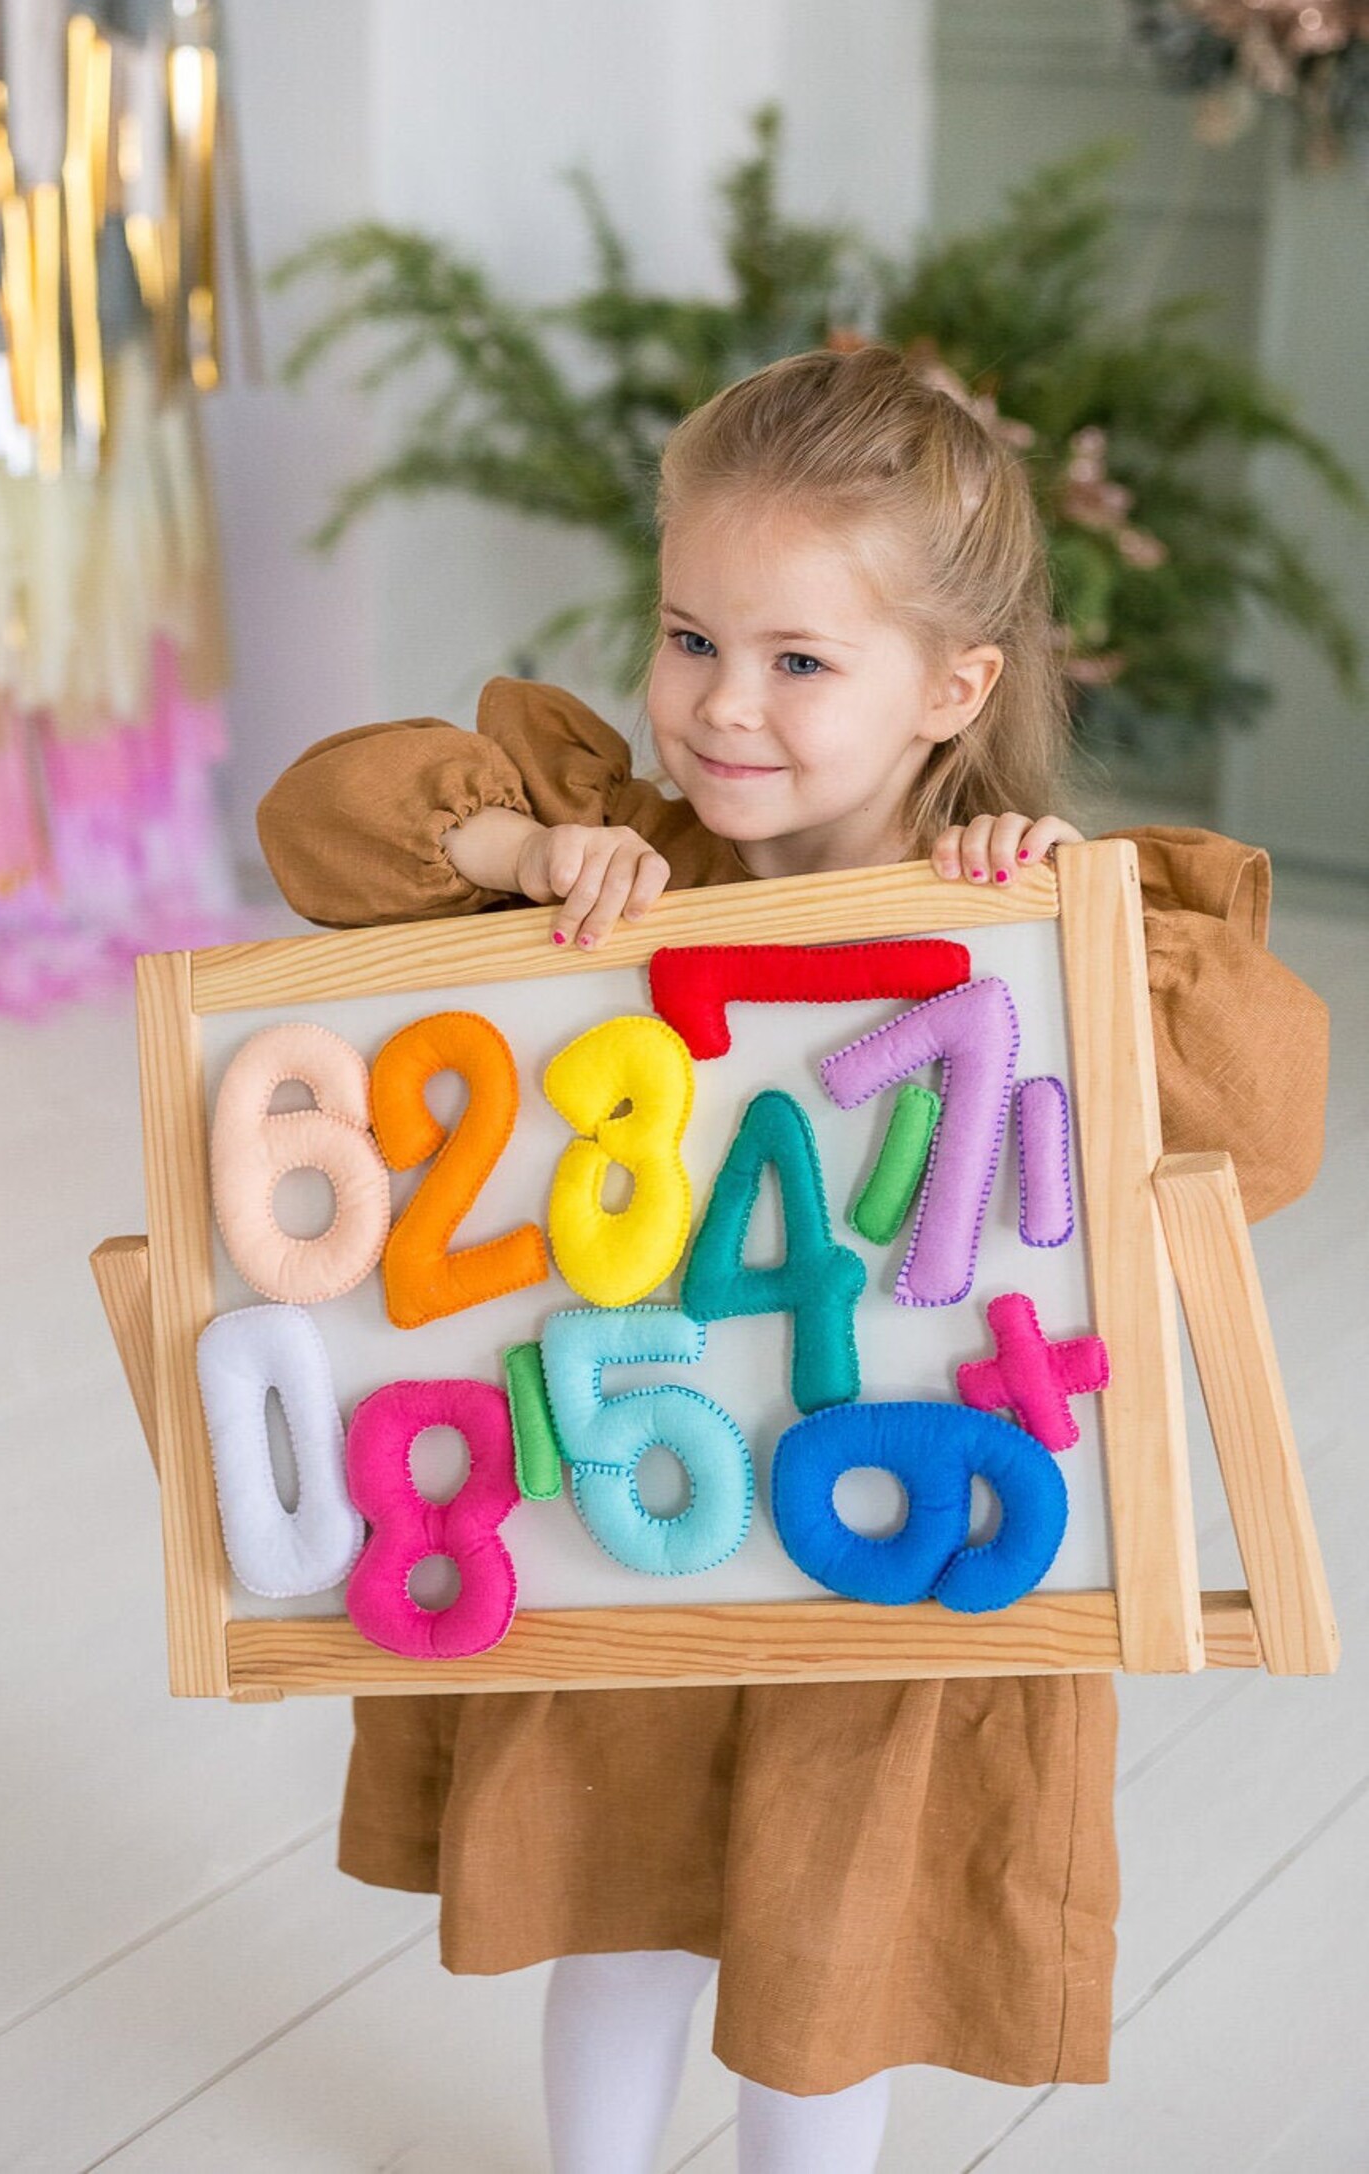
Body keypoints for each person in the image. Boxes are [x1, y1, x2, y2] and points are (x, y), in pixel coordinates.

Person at [256, 345, 1329, 2173]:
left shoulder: (1016, 906)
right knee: (614, 1903)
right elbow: (320, 818)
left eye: (799, 661)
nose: (721, 704)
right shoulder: (628, 856)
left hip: (888, 1539)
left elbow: (1272, 1121)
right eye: (690, 636)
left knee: (824, 1957)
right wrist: (525, 845)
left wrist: (1072, 919)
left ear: (954, 687)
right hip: (633, 1495)